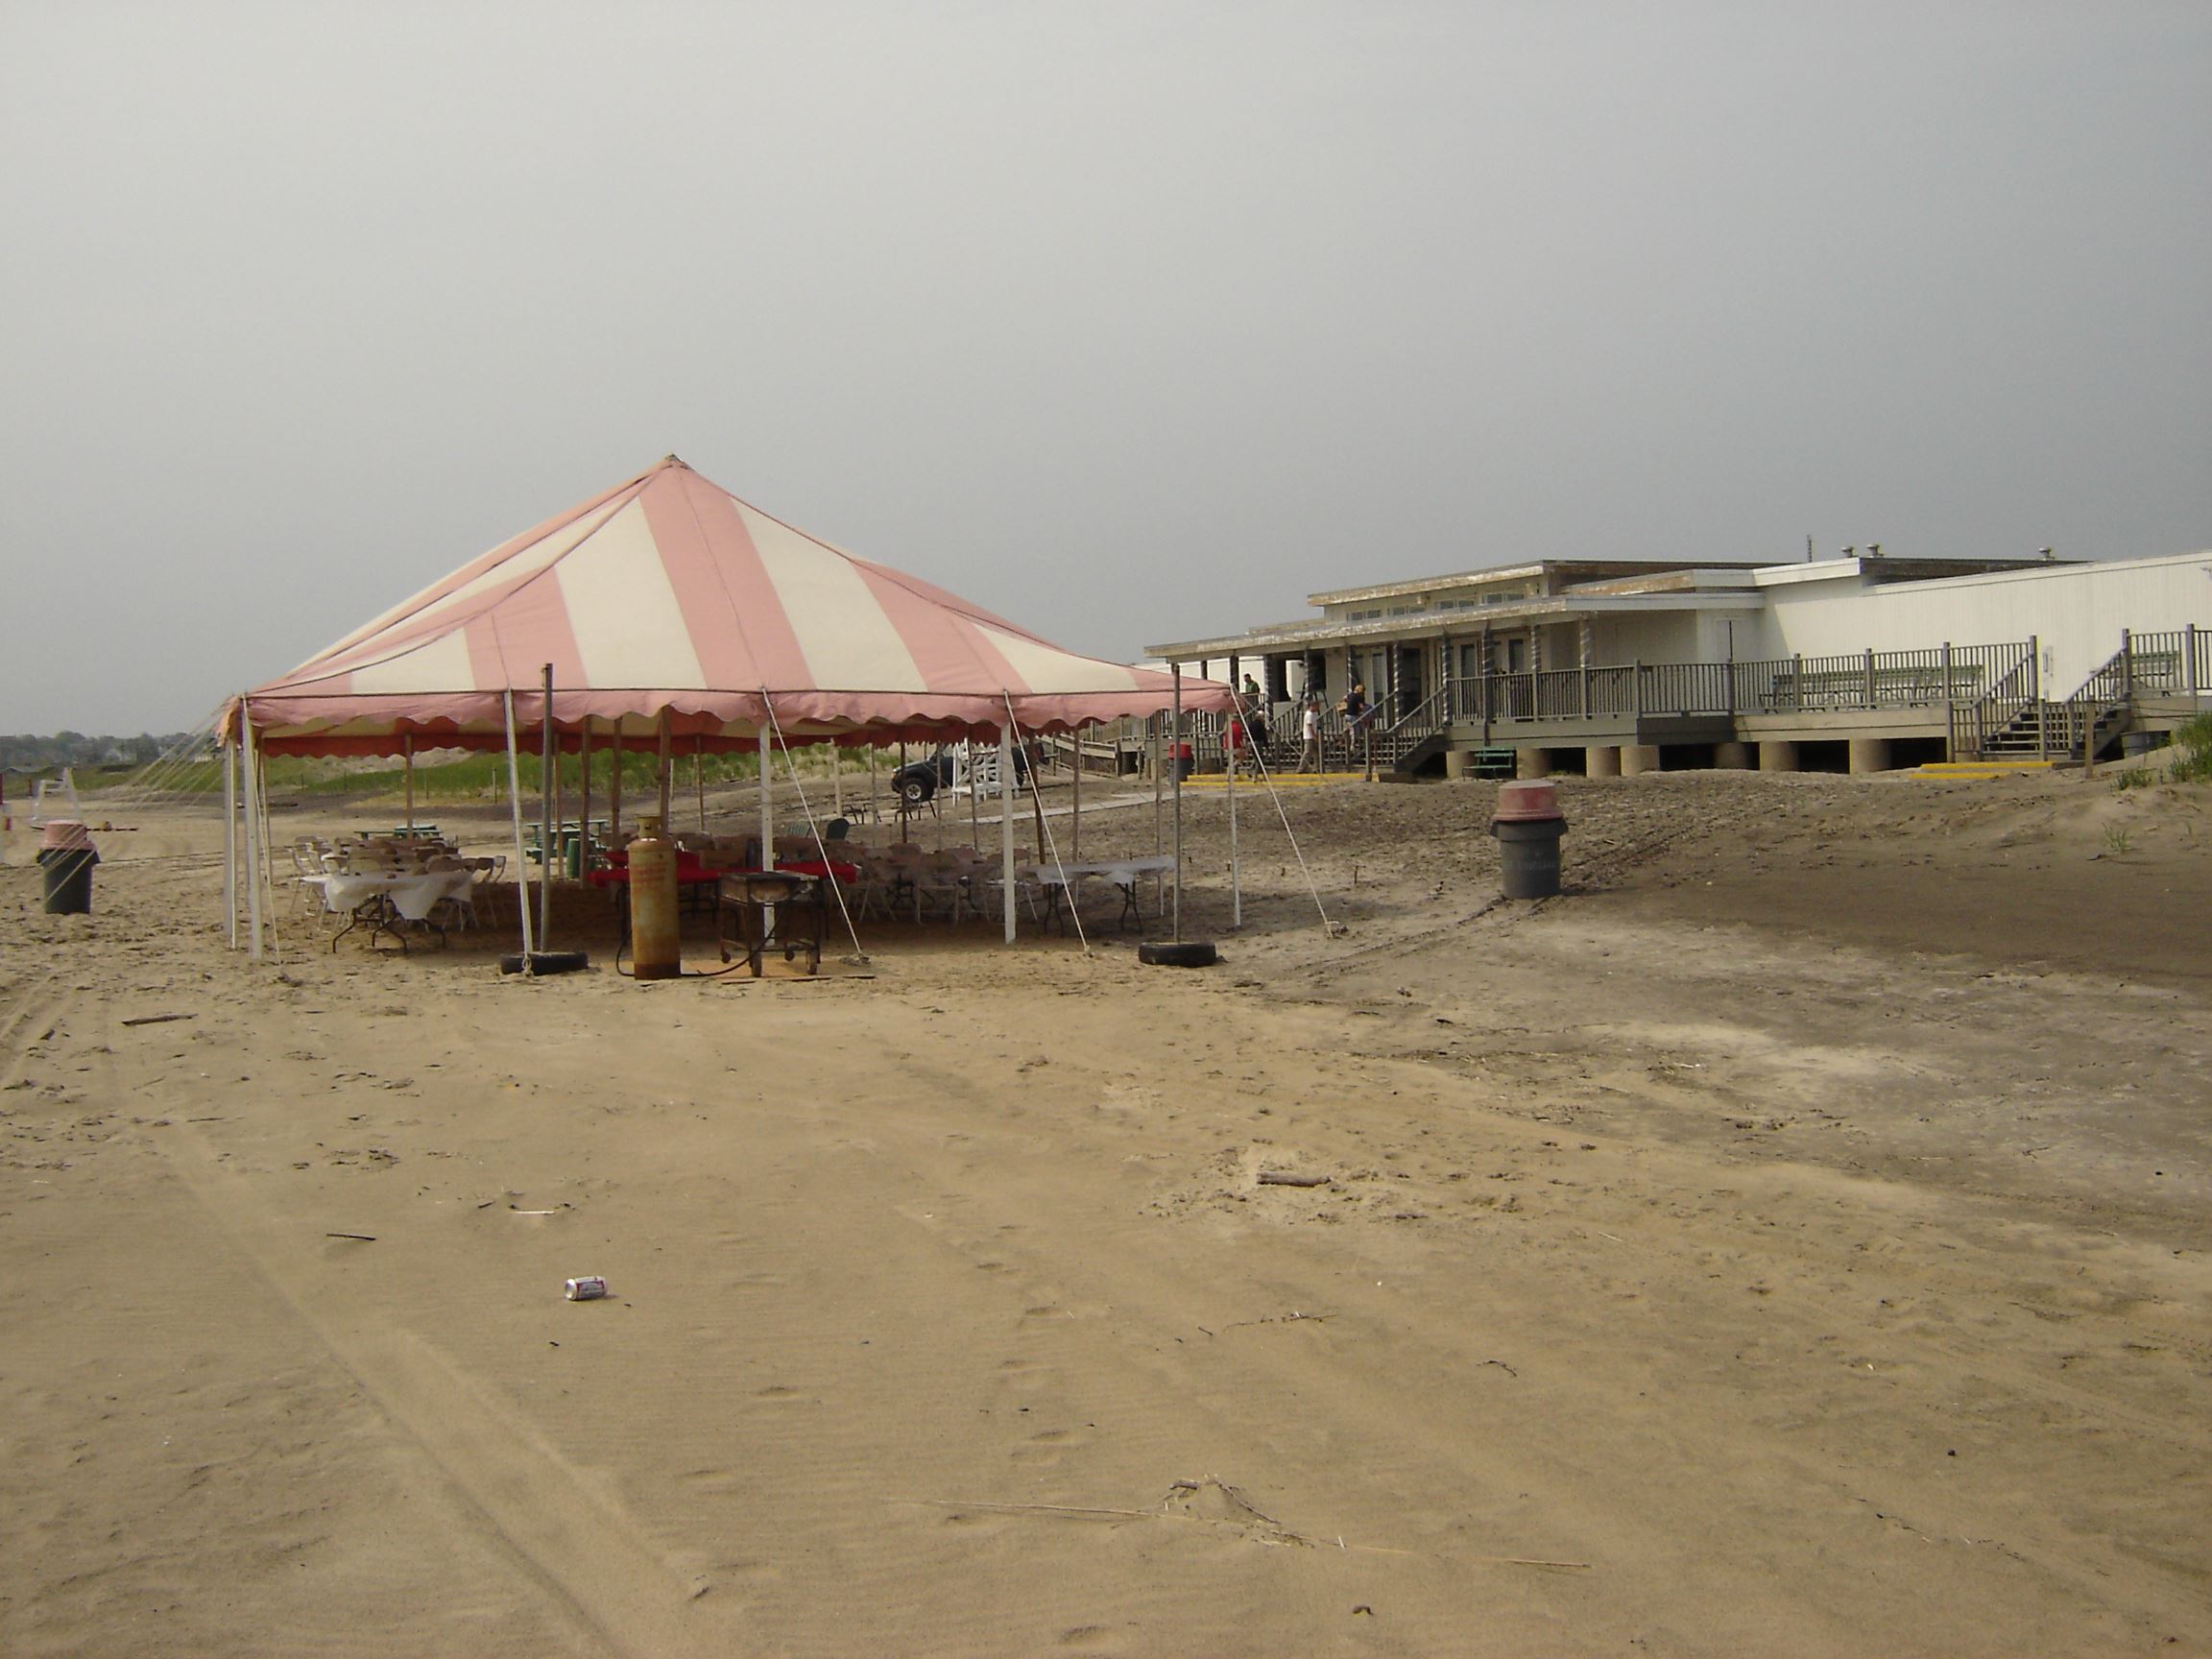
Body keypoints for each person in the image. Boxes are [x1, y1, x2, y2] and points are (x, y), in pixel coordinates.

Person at [1298, 695, 1322, 772]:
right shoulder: (1309, 715)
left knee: (1316, 753)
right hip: (1309, 736)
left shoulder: (1314, 714)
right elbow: (1309, 726)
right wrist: (1314, 735)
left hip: (1312, 735)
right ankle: (1301, 768)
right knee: (1308, 752)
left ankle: (1317, 768)